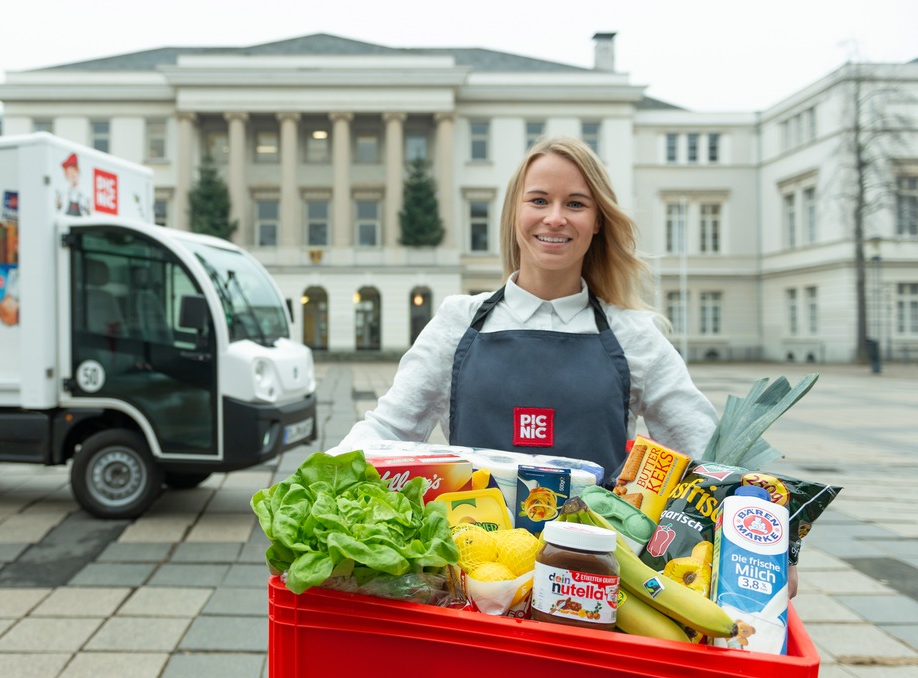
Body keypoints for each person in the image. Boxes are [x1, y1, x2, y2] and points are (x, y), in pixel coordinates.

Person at [336, 135, 801, 596]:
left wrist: (768, 544)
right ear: (515, 214)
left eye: (576, 204)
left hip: (595, 590)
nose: (554, 218)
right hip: (472, 586)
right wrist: (322, 483)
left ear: (598, 221)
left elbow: (705, 456)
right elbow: (387, 432)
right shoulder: (458, 321)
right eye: (538, 200)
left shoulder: (634, 335)